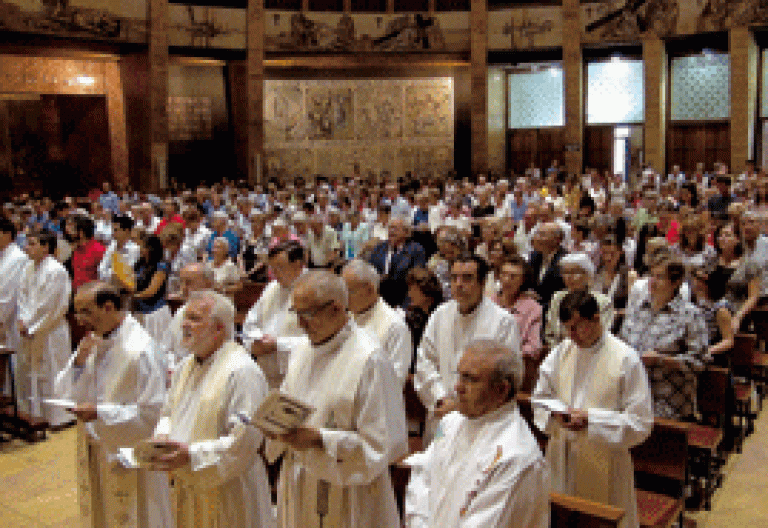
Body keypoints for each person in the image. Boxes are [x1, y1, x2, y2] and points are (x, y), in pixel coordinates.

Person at [264, 270, 407, 528]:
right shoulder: (303, 350)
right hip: (299, 481)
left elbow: (384, 445)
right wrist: (274, 423)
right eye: (295, 313)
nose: (300, 324)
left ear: (336, 308)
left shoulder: (369, 359)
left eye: (307, 314)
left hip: (348, 493)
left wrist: (321, 438)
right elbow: (287, 402)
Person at [148, 290, 275, 528]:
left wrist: (192, 455)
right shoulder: (187, 364)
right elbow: (168, 411)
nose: (184, 324)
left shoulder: (241, 371)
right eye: (186, 317)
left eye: (195, 319)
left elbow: (244, 441)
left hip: (229, 488)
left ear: (219, 329)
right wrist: (162, 436)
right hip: (188, 480)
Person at [54, 282, 171, 528]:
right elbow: (65, 390)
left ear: (108, 307)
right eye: (77, 312)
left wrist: (100, 413)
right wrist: (79, 362)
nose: (79, 320)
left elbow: (152, 415)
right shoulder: (94, 341)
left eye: (86, 311)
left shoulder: (141, 350)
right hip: (96, 449)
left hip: (128, 456)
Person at [534, 291, 653, 528]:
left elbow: (641, 422)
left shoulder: (625, 358)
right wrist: (555, 415)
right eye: (567, 328)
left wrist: (592, 420)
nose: (572, 335)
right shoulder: (562, 352)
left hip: (606, 459)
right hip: (562, 455)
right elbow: (540, 398)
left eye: (578, 327)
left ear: (596, 319)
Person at [405, 339, 549, 528]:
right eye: (459, 376)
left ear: (501, 390)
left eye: (470, 379)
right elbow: (423, 472)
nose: (458, 387)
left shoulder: (516, 455)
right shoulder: (449, 423)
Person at [414, 253, 521, 440]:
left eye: (467, 278)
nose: (459, 284)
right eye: (454, 278)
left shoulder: (503, 322)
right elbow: (424, 362)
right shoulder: (440, 314)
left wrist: (459, 404)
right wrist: (440, 398)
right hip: (442, 412)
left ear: (482, 283)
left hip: (483, 420)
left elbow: (507, 378)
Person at [620, 255, 708, 419]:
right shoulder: (637, 309)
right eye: (651, 275)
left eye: (659, 277)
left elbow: (700, 363)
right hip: (632, 397)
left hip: (667, 403)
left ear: (675, 283)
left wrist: (661, 360)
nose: (652, 281)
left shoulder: (690, 315)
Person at [16, 230, 72, 427]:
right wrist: (22, 320)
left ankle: (59, 417)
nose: (26, 248)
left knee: (53, 372)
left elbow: (52, 307)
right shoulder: (28, 268)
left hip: (50, 329)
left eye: (31, 244)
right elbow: (22, 297)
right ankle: (37, 414)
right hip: (31, 328)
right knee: (35, 373)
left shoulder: (56, 271)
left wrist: (32, 326)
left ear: (45, 247)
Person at [241, 240, 308, 389]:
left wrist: (278, 344)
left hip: (299, 378)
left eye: (280, 267)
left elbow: (317, 341)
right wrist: (255, 343)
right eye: (272, 268)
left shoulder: (314, 291)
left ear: (298, 265)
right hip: (265, 375)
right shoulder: (271, 288)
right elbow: (249, 324)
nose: (274, 273)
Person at [342, 259, 412, 387]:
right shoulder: (347, 319)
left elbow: (395, 380)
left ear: (369, 289)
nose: (344, 298)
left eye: (348, 292)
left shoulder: (394, 326)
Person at [544, 253, 614, 350]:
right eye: (565, 272)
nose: (569, 277)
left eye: (574, 272)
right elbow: (550, 332)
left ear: (588, 275)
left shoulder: (602, 301)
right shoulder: (557, 297)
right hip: (560, 351)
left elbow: (603, 333)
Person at [161, 262, 215, 377]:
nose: (183, 288)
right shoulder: (181, 311)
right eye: (182, 282)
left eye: (189, 282)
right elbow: (166, 347)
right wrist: (171, 367)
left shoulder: (218, 315)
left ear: (208, 284)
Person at [367, 216, 427, 307]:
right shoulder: (379, 248)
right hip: (380, 296)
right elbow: (370, 272)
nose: (391, 231)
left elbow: (416, 280)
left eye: (395, 228)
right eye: (390, 228)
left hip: (404, 296)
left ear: (406, 233)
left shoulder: (416, 250)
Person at [493, 255, 542, 359]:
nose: (507, 280)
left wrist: (506, 355)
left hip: (515, 363)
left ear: (523, 280)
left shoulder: (533, 308)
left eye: (513, 276)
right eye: (504, 274)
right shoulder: (489, 302)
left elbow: (534, 347)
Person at [0, 216, 30, 351]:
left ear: (6, 233)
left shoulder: (16, 258)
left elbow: (6, 296)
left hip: (11, 320)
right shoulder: (4, 256)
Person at [528, 222, 567, 310]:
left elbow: (562, 294)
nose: (536, 238)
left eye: (542, 235)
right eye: (537, 234)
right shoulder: (534, 256)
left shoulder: (565, 261)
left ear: (557, 240)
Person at [98, 214, 140, 287]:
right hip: (109, 287)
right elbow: (101, 270)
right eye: (112, 230)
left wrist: (110, 274)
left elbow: (126, 275)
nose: (112, 233)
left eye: (116, 230)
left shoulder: (134, 249)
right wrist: (113, 275)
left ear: (126, 231)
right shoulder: (112, 246)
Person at [70, 214, 107, 291]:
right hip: (77, 294)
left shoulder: (99, 250)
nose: (70, 232)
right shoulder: (76, 248)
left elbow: (104, 277)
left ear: (81, 232)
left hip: (91, 296)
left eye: (73, 230)